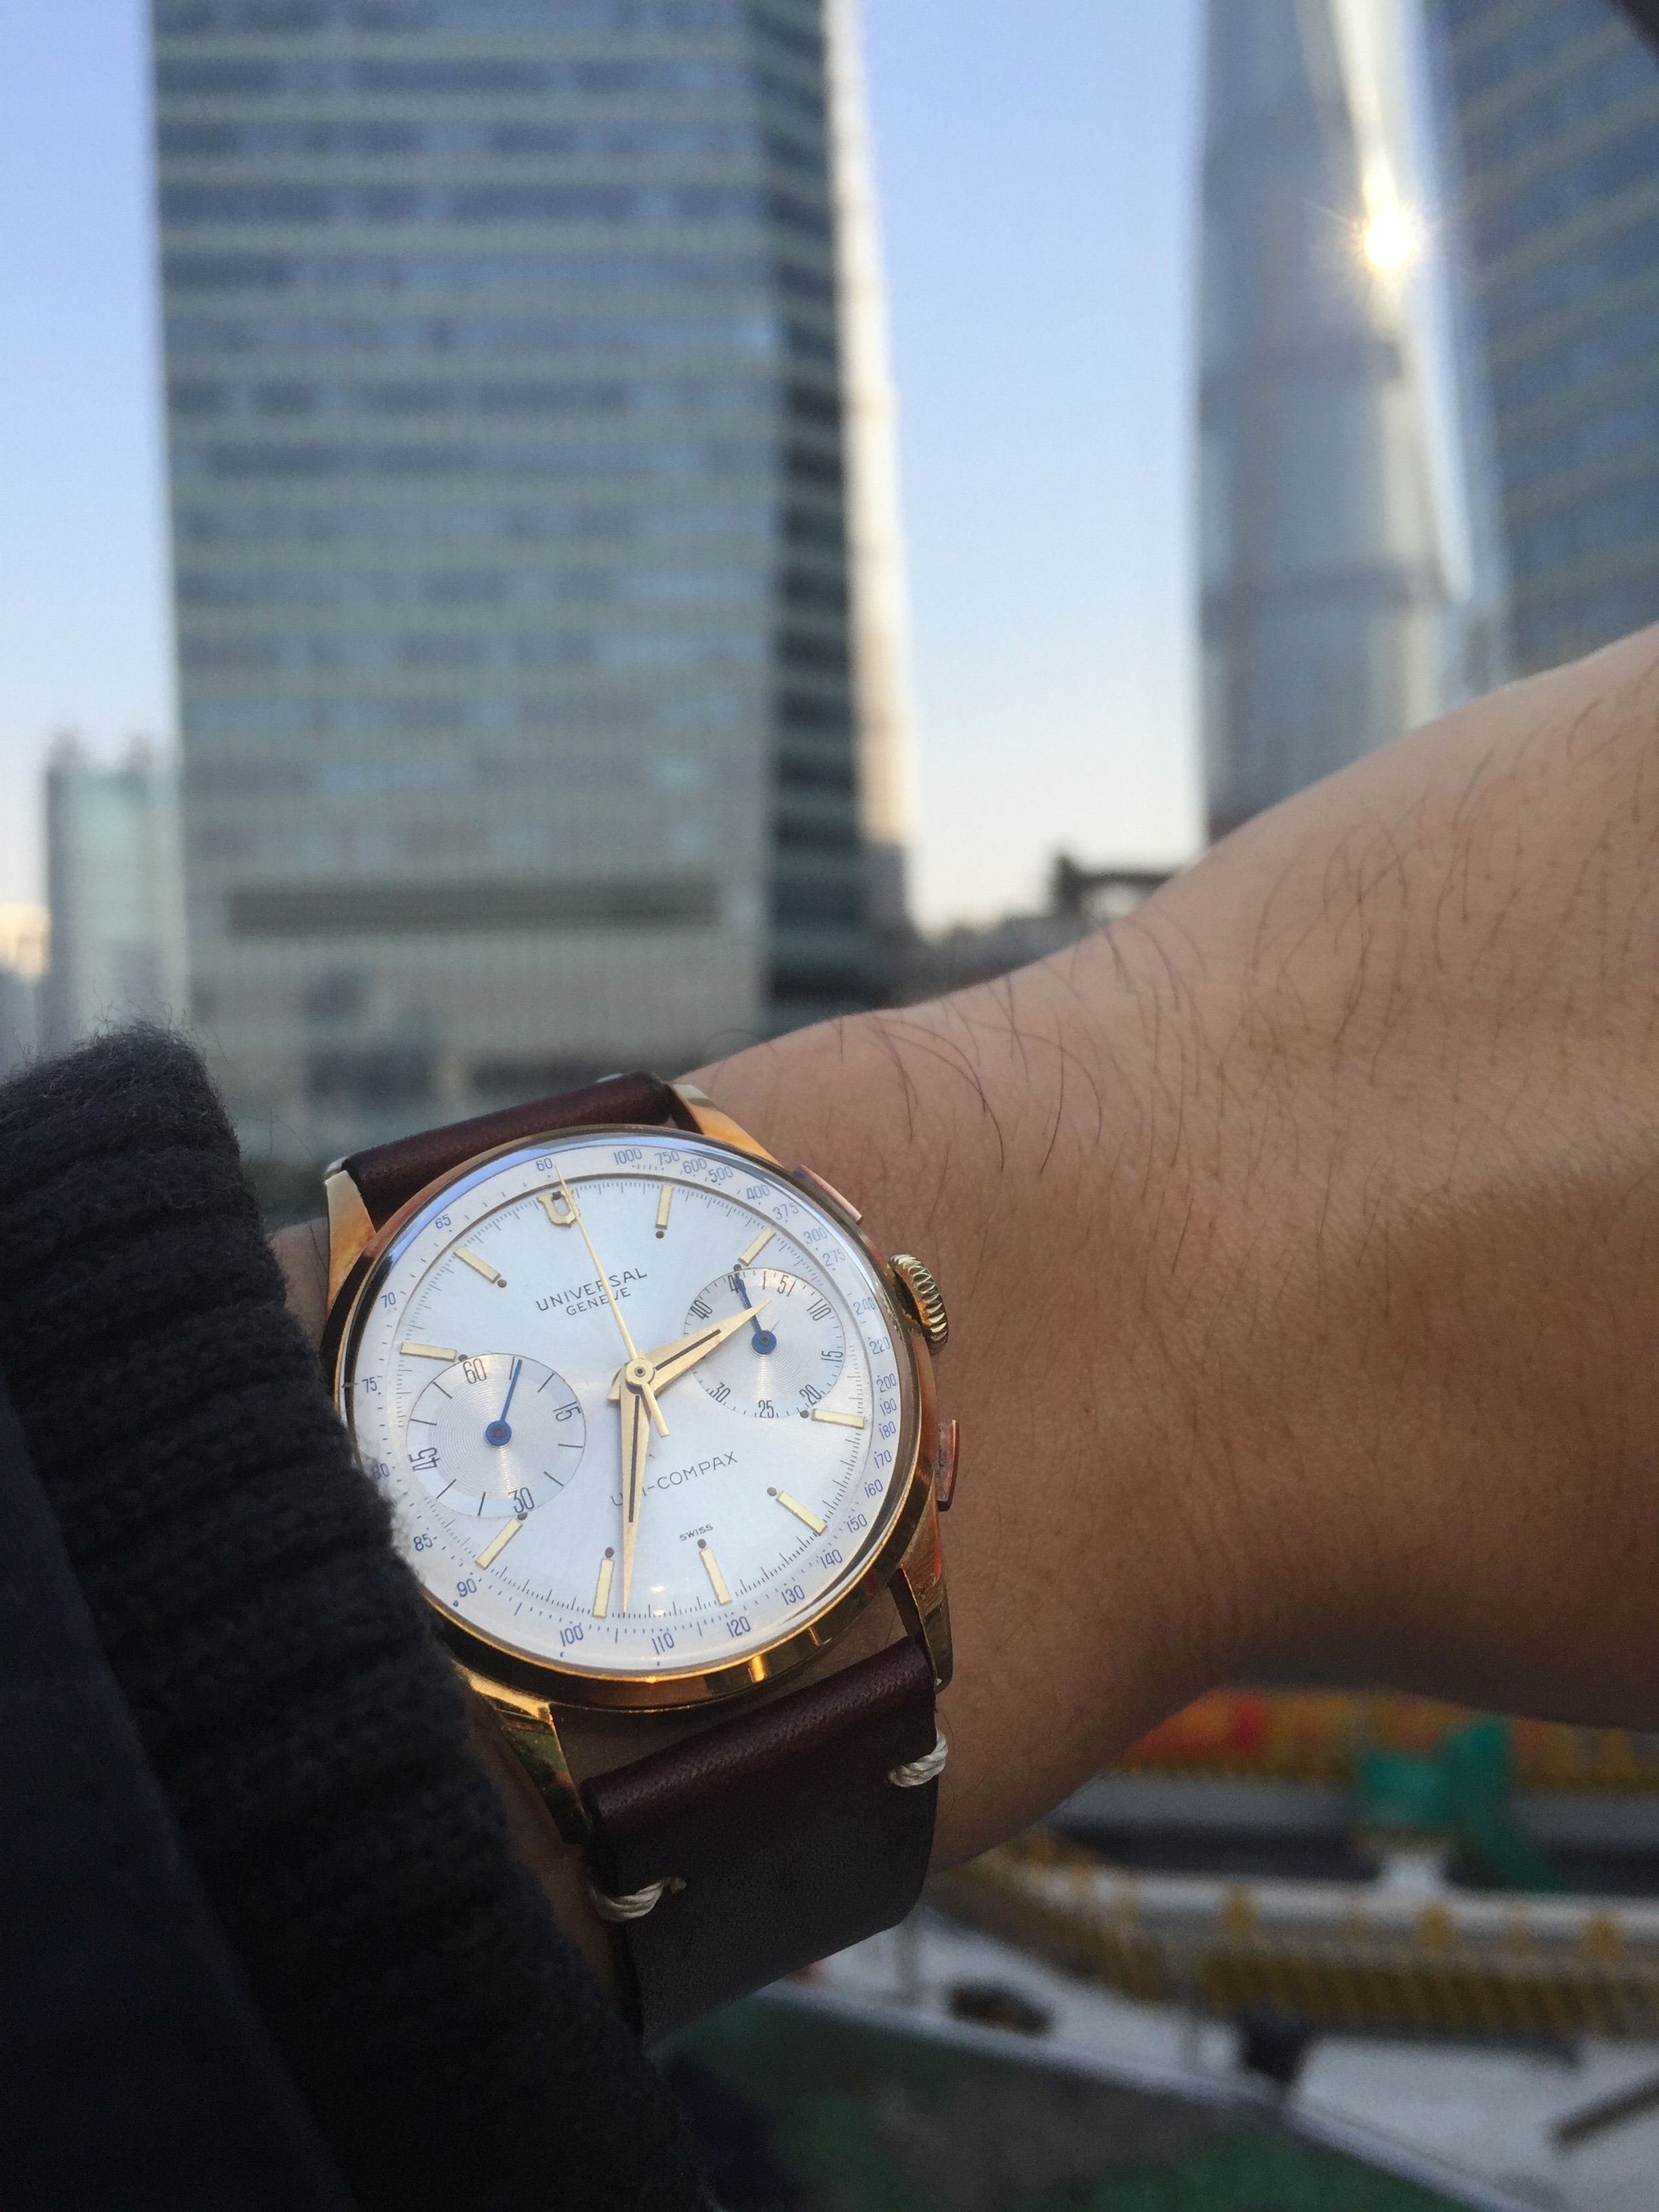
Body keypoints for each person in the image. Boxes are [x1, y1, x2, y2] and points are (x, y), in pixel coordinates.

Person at [6, 623, 1659, 2207]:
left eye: (666, 1364)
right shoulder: (559, 1672)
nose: (643, 1378)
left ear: (906, 1312)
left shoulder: (849, 1418)